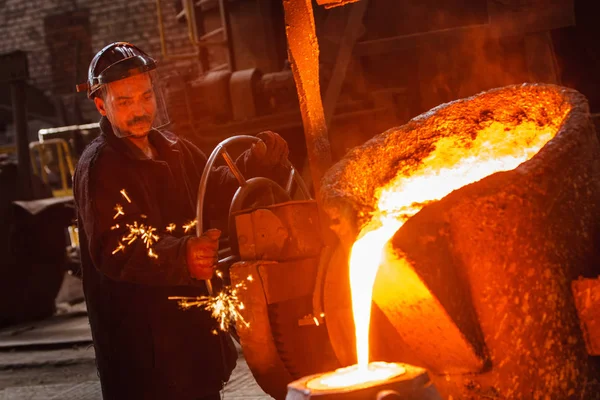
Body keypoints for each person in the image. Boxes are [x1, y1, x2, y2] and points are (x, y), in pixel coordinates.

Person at [73, 42, 290, 400]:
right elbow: (115, 248)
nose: (140, 110)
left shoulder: (172, 147)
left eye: (145, 97)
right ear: (101, 104)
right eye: (124, 102)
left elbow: (212, 186)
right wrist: (182, 256)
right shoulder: (100, 167)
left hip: (190, 343)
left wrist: (256, 163)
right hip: (144, 352)